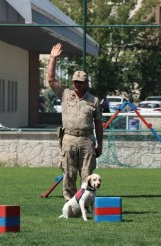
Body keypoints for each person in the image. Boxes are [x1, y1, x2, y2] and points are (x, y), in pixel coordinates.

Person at [47, 43, 103, 200]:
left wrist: (100, 145)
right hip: (69, 138)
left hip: (87, 140)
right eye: (74, 82)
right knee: (69, 172)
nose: (76, 84)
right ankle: (71, 204)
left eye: (80, 82)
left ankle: (86, 202)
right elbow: (51, 79)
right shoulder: (65, 94)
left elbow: (99, 124)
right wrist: (52, 58)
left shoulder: (94, 100)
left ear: (86, 83)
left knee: (87, 175)